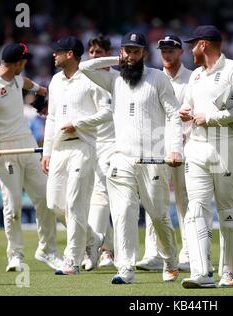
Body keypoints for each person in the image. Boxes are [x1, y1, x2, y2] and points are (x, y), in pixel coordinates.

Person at [79, 31, 183, 284]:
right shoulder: (114, 79)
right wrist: (121, 58)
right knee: (123, 212)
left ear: (145, 53)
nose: (130, 55)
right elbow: (84, 66)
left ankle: (170, 259)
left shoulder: (157, 78)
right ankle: (125, 268)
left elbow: (174, 115)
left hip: (153, 159)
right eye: (127, 50)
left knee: (158, 216)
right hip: (121, 158)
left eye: (136, 51)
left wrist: (175, 149)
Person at [0, 42, 63, 272]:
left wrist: (41, 92)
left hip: (27, 145)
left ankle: (48, 251)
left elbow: (26, 84)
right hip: (4, 151)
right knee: (13, 206)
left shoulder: (17, 78)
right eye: (24, 61)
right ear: (17, 63)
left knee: (46, 200)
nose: (26, 64)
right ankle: (15, 255)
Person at [179, 25, 233, 288]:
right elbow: (189, 105)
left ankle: (230, 271)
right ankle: (202, 273)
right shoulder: (196, 76)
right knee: (196, 209)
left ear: (204, 44)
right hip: (197, 147)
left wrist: (210, 117)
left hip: (225, 146)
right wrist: (186, 112)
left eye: (192, 44)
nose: (189, 50)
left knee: (228, 211)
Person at [41, 36, 108, 275]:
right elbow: (50, 118)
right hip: (59, 148)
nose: (53, 55)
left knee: (75, 204)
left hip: (83, 146)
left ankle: (72, 260)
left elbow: (107, 112)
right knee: (55, 204)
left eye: (57, 51)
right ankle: (93, 238)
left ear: (70, 54)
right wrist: (47, 151)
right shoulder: (55, 81)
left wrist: (78, 124)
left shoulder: (92, 78)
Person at [135, 35, 192, 273]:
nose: (167, 55)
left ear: (180, 52)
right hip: (157, 150)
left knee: (185, 202)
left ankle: (189, 254)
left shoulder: (192, 79)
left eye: (171, 51)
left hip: (185, 149)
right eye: (163, 51)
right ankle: (154, 254)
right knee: (153, 201)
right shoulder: (152, 78)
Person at [80, 35, 116, 270]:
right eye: (91, 52)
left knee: (102, 194)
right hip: (87, 143)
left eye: (99, 52)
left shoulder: (117, 79)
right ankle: (108, 250)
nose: (94, 56)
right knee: (91, 197)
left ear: (108, 54)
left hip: (113, 143)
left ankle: (91, 250)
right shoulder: (83, 79)